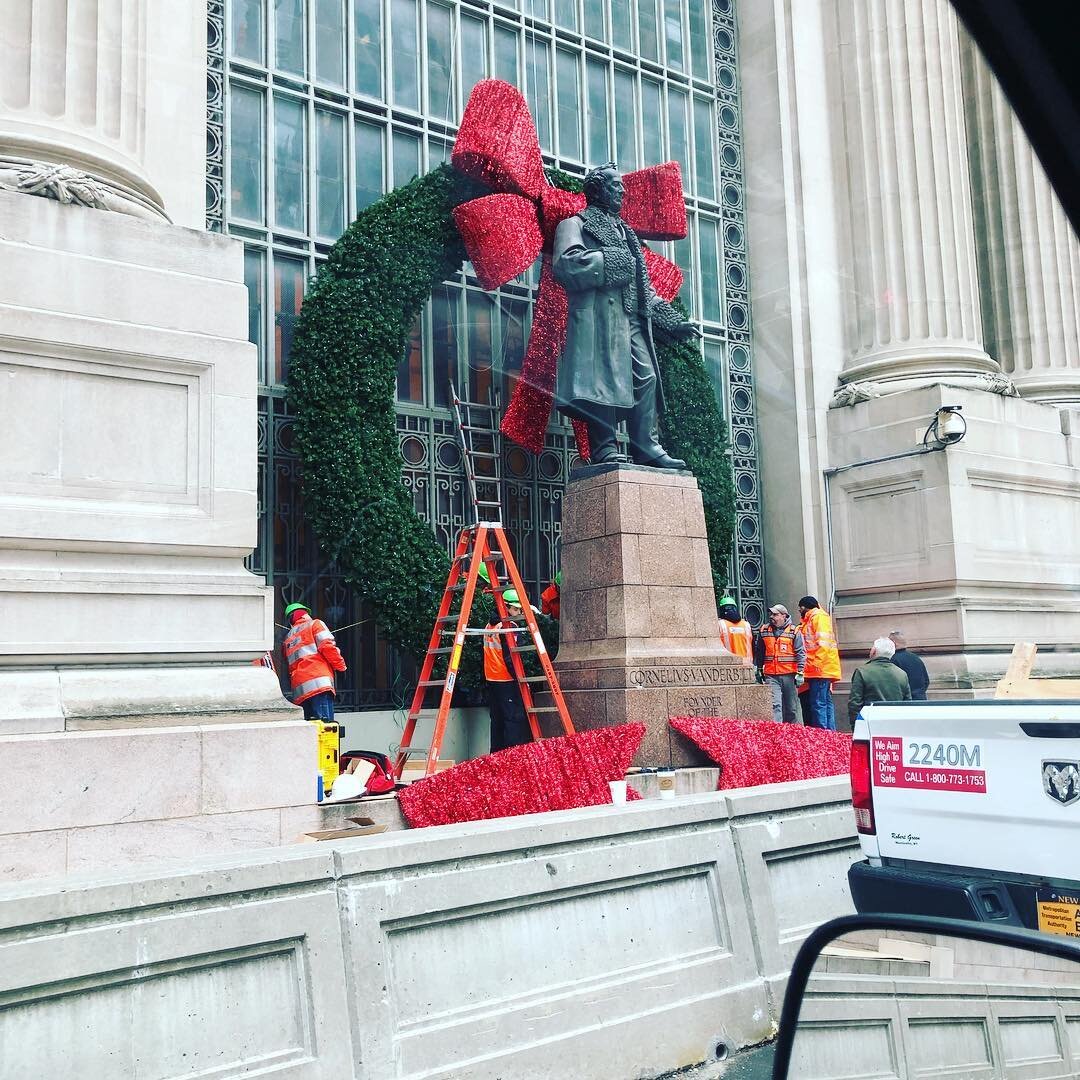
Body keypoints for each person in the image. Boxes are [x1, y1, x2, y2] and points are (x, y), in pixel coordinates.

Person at [552, 162, 699, 468]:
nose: (621, 191)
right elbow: (566, 264)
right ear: (597, 189)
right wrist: (608, 262)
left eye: (621, 186)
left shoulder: (627, 232)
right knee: (601, 382)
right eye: (615, 185)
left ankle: (645, 444)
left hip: (630, 318)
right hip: (599, 319)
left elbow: (643, 287)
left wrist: (672, 320)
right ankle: (604, 446)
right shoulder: (574, 224)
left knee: (645, 378)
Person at [483, 589, 533, 752]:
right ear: (505, 607)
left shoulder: (490, 625)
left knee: (497, 721)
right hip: (507, 680)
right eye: (516, 609)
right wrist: (521, 679)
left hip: (492, 680)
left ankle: (496, 757)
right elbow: (511, 658)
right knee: (513, 720)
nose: (519, 613)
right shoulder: (508, 626)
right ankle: (512, 759)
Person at [282, 602, 346, 720]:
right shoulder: (315, 624)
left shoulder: (287, 639)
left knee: (309, 732)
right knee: (325, 729)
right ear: (305, 613)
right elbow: (328, 647)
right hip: (319, 685)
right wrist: (341, 668)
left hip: (300, 692)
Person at [753, 604, 806, 724]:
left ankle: (793, 734)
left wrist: (800, 672)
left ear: (784, 616)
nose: (772, 617)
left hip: (790, 675)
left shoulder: (794, 631)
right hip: (771, 675)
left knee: (791, 708)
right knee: (775, 705)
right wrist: (759, 668)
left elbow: (801, 652)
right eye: (771, 614)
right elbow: (760, 651)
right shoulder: (764, 630)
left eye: (775, 614)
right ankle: (777, 734)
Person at [798, 595, 841, 730]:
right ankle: (829, 734)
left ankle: (822, 735)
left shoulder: (817, 618)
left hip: (819, 669)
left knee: (818, 703)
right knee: (825, 702)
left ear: (804, 607)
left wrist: (816, 665)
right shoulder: (816, 618)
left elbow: (823, 644)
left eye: (800, 609)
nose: (799, 612)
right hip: (823, 668)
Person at [848, 637, 911, 724]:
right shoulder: (902, 674)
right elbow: (907, 704)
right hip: (895, 723)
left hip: (870, 723)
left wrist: (856, 726)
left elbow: (855, 703)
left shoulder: (862, 671)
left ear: (873, 651)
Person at [889, 630, 929, 700]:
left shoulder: (893, 659)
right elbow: (926, 681)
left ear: (894, 643)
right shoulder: (916, 658)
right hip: (921, 701)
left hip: (905, 703)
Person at [717, 596, 753, 665]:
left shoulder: (720, 625)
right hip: (747, 664)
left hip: (729, 666)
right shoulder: (746, 625)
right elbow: (753, 645)